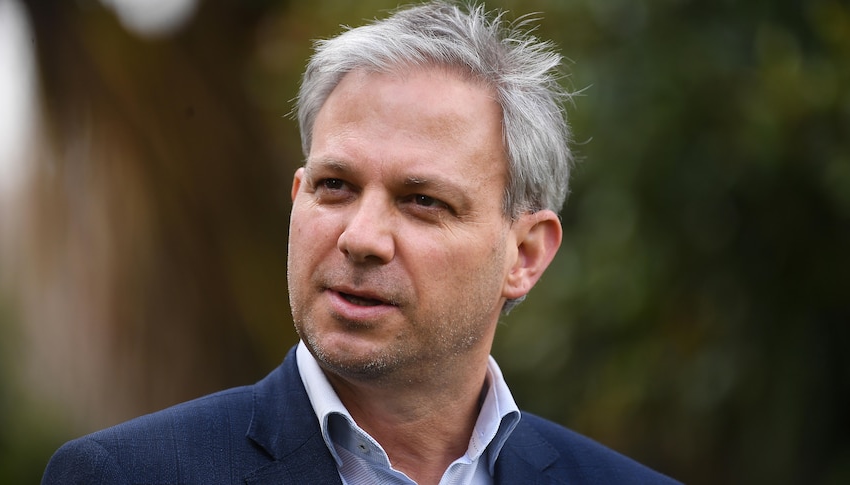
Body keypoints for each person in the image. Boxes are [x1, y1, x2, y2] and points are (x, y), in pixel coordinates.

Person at [42, 1, 680, 483]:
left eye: (422, 201)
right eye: (336, 186)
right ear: (298, 199)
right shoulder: (125, 475)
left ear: (525, 254)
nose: (361, 238)